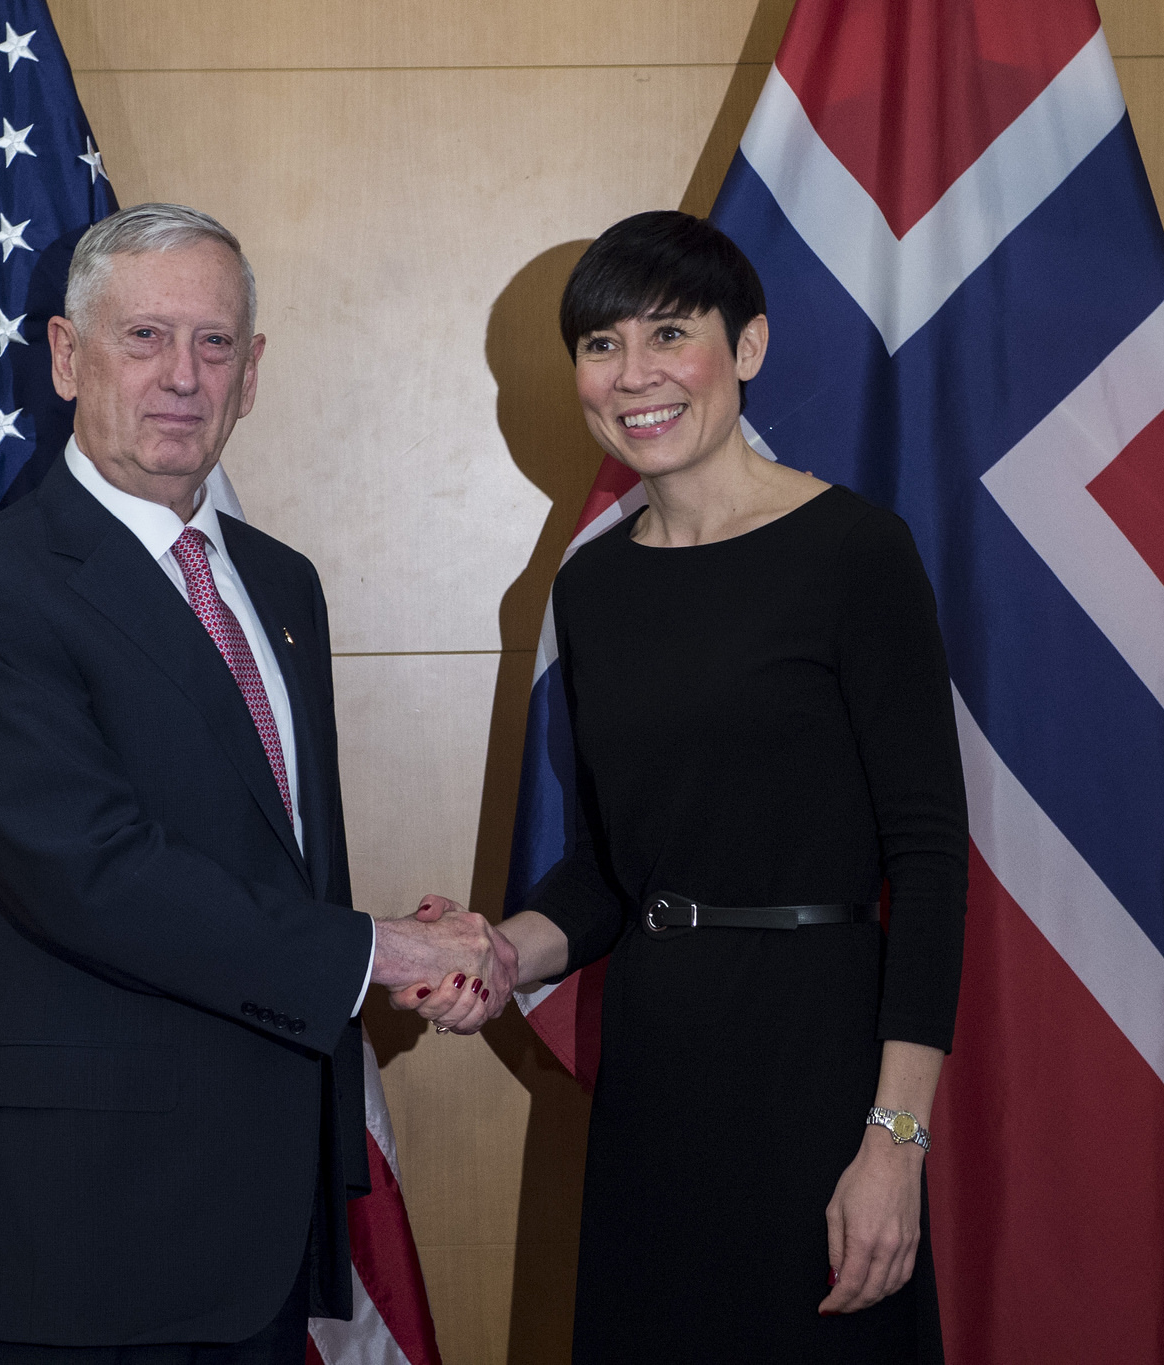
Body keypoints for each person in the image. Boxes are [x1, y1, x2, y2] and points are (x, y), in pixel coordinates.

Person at [0, 203, 512, 1364]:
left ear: (253, 371)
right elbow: (90, 875)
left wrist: (410, 952)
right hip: (76, 1235)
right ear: (68, 356)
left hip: (264, 1220)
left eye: (215, 343)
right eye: (144, 338)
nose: (183, 376)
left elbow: (267, 860)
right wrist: (376, 953)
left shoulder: (280, 584)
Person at [403, 210, 967, 1360]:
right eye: (601, 345)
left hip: (819, 1064)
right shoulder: (593, 588)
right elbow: (612, 866)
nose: (634, 375)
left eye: (670, 333)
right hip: (658, 1067)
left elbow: (930, 858)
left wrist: (893, 1141)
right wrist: (500, 955)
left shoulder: (854, 552)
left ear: (746, 348)